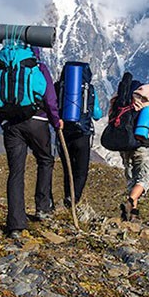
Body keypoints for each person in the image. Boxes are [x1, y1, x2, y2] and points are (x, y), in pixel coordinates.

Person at [0, 46, 62, 239]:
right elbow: (49, 97)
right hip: (37, 121)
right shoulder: (38, 67)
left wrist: (4, 122)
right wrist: (55, 120)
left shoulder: (5, 68)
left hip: (11, 124)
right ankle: (42, 208)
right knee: (45, 160)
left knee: (16, 171)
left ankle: (15, 225)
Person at [56, 63, 103, 208]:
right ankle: (74, 199)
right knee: (81, 170)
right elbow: (97, 114)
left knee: (68, 168)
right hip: (82, 134)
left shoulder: (59, 86)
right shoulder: (89, 89)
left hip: (64, 133)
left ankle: (67, 197)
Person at [119, 83, 149, 223]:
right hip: (142, 147)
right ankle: (130, 201)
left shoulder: (126, 105)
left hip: (125, 147)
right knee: (143, 181)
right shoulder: (148, 106)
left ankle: (132, 215)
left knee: (132, 180)